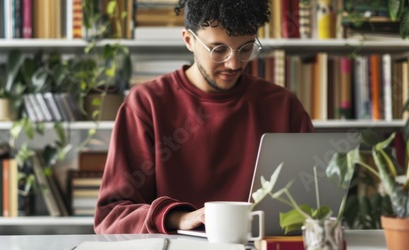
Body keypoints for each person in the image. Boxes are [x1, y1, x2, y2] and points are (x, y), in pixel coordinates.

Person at [94, 0, 314, 234]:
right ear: (188, 40)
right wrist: (178, 218)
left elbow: (314, 202)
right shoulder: (146, 104)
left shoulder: (283, 106)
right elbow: (112, 215)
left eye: (246, 49)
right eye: (218, 49)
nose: (233, 63)